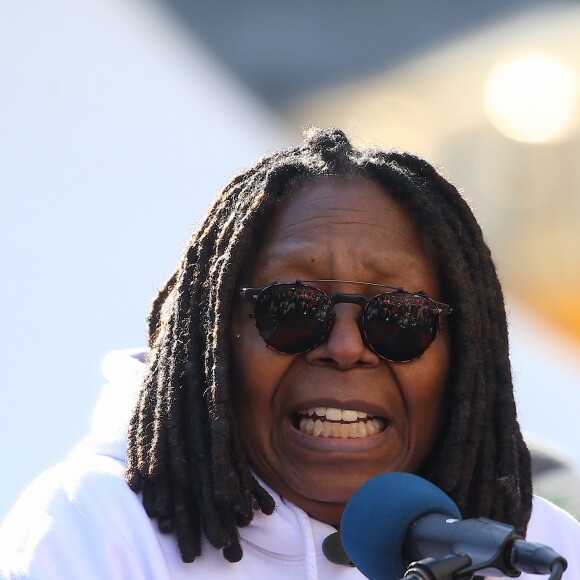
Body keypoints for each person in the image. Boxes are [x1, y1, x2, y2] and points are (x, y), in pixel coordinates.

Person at [1, 127, 579, 579]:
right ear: (216, 342)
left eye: (399, 317)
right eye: (293, 309)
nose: (347, 347)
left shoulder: (535, 552)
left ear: (465, 357)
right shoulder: (95, 529)